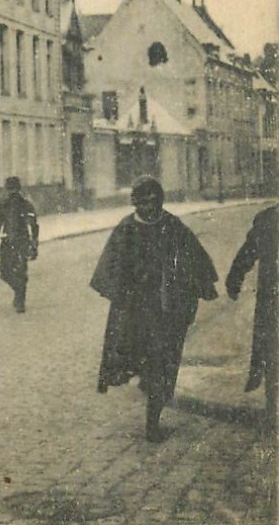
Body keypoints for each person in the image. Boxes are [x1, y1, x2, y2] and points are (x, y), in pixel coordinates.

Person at [90, 176, 218, 442]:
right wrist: (120, 290)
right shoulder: (125, 229)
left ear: (160, 201)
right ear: (134, 203)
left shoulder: (173, 226)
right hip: (134, 313)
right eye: (142, 202)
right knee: (136, 358)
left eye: (153, 201)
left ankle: (153, 422)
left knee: (161, 365)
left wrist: (203, 284)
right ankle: (146, 387)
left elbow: (195, 256)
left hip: (164, 311)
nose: (148, 208)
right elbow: (109, 268)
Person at [225, 204, 278, 431]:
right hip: (273, 304)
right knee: (272, 356)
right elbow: (248, 251)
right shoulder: (268, 220)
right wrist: (234, 278)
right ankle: (272, 411)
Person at [0, 177, 39, 313]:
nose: (12, 193)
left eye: (14, 190)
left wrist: (34, 245)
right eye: (10, 190)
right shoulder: (4, 205)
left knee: (21, 271)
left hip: (22, 241)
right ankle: (19, 292)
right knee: (4, 272)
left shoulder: (26, 204)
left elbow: (34, 225)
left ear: (19, 190)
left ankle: (20, 301)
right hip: (7, 242)